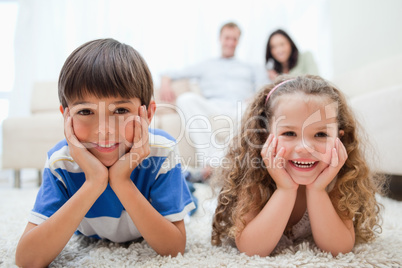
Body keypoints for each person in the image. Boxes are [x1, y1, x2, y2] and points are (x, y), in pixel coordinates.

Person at [15, 38, 196, 267]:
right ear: (66, 116)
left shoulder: (161, 152)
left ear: (147, 114)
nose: (104, 131)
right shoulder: (61, 162)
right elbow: (27, 259)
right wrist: (95, 181)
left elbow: (173, 248)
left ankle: (189, 180)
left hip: (160, 183)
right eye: (86, 111)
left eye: (121, 110)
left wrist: (121, 180)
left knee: (189, 193)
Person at [211, 75, 385, 257]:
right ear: (264, 137)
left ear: (339, 139)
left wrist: (317, 190)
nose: (304, 148)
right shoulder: (254, 178)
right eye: (289, 133)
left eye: (320, 135)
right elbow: (252, 249)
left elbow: (339, 248)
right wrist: (285, 189)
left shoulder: (338, 180)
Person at [159, 22, 262, 181]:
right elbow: (172, 73)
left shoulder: (249, 67)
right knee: (186, 99)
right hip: (212, 106)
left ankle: (211, 167)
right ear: (220, 39)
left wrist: (254, 97)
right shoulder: (207, 64)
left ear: (238, 41)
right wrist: (165, 81)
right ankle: (212, 163)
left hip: (239, 107)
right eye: (227, 38)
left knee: (250, 108)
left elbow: (264, 88)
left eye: (234, 39)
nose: (230, 43)